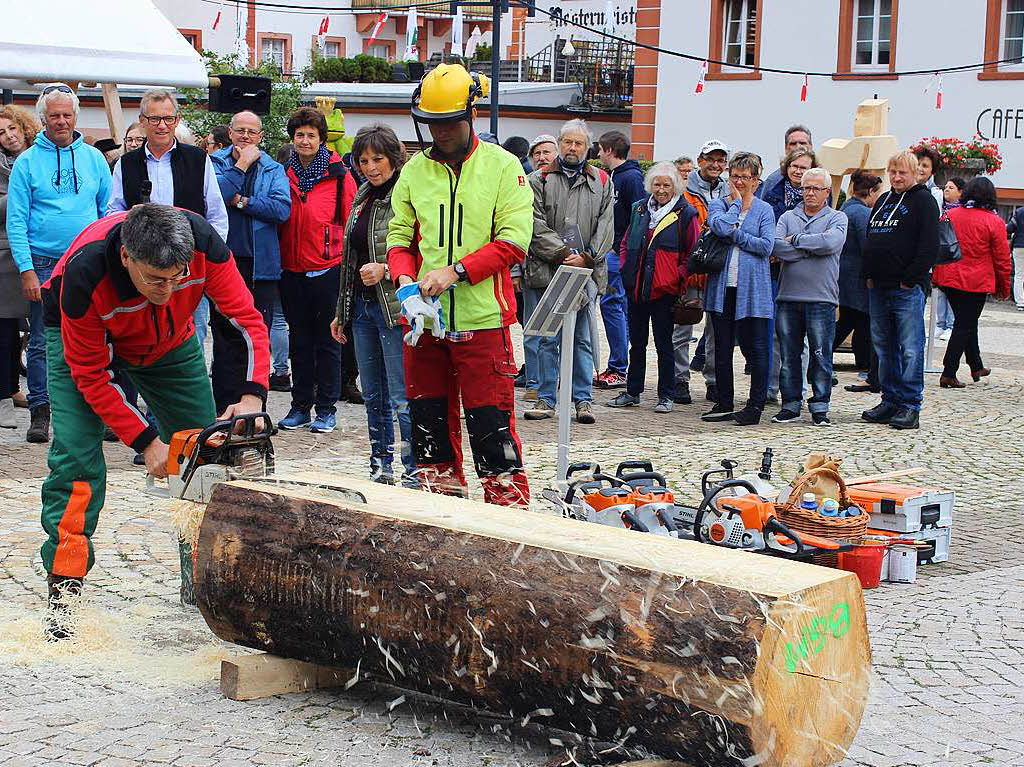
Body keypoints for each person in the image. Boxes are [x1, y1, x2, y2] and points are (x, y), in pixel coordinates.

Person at [39, 204, 269, 637]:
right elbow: (91, 375)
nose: (168, 288)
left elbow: (246, 320)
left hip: (169, 342)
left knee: (205, 455)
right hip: (81, 340)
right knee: (76, 459)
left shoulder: (204, 246)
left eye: (178, 277)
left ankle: (203, 584)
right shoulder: (84, 276)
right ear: (127, 257)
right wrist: (145, 442)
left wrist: (252, 393)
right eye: (155, 279)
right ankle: (64, 593)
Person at [387, 63, 532, 507]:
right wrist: (406, 281)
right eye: (432, 124)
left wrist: (456, 271)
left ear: (471, 114)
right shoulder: (414, 171)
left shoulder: (504, 168)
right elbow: (400, 236)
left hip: (484, 320)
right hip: (425, 325)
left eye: (449, 123)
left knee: (492, 429)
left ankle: (509, 520)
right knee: (428, 427)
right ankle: (440, 510)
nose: (441, 133)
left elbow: (513, 243)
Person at [5, 84, 112, 444]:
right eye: (55, 115)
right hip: (44, 262)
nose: (62, 121)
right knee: (42, 341)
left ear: (76, 116)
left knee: (95, 337)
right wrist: (26, 268)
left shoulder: (95, 159)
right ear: (43, 118)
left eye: (67, 114)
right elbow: (16, 220)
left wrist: (106, 258)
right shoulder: (27, 162)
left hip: (87, 262)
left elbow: (106, 213)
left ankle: (102, 408)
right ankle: (40, 411)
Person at [108, 89, 229, 354]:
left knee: (191, 335)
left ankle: (187, 389)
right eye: (154, 119)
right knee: (140, 337)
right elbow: (113, 216)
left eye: (167, 118)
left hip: (188, 268)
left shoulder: (198, 159)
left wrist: (206, 261)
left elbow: (217, 215)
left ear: (177, 120)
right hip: (143, 271)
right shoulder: (126, 164)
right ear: (142, 121)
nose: (161, 125)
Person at [331, 124, 416, 486]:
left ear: (394, 159)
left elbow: (421, 249)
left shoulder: (407, 193)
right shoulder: (362, 194)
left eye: (378, 159)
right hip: (364, 307)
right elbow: (349, 258)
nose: (370, 167)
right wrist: (341, 311)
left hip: (394, 307)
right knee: (374, 394)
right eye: (363, 160)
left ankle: (415, 469)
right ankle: (380, 465)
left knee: (402, 395)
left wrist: (386, 269)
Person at [524, 119, 614, 425]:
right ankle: (546, 398)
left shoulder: (602, 180)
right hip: (551, 269)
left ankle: (583, 399)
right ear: (559, 144)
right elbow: (533, 223)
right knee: (548, 336)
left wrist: (588, 257)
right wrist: (563, 253)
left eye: (578, 143)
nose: (572, 148)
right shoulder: (539, 179)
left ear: (588, 147)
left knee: (581, 338)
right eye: (567, 142)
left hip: (585, 272)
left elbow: (606, 225)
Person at [276, 107, 357, 434]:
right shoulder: (283, 171)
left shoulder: (339, 176)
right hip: (291, 269)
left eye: (311, 135)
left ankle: (326, 407)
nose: (305, 140)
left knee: (327, 341)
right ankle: (300, 406)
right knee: (299, 341)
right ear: (293, 139)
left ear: (321, 138)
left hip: (328, 268)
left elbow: (350, 223)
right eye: (300, 135)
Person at [211, 111, 291, 410]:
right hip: (223, 263)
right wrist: (242, 165)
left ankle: (254, 409)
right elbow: (216, 195)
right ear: (230, 133)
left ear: (260, 136)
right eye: (240, 130)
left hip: (261, 266)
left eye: (251, 132)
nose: (245, 136)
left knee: (256, 338)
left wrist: (242, 202)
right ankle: (222, 409)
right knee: (224, 338)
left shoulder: (273, 169)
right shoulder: (214, 163)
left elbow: (281, 210)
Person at [608, 162, 699, 413]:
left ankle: (666, 395)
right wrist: (626, 270)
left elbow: (692, 252)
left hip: (665, 291)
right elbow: (625, 243)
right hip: (637, 288)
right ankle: (633, 391)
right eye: (657, 184)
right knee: (636, 343)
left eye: (666, 185)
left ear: (675, 186)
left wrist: (676, 277)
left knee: (664, 344)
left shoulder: (686, 214)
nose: (661, 189)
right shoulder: (639, 209)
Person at [861, 150, 939, 431]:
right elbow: (871, 237)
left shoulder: (924, 202)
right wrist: (868, 274)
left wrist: (911, 278)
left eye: (902, 172)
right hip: (878, 286)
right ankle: (890, 399)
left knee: (910, 348)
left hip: (905, 288)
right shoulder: (883, 200)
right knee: (884, 346)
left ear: (915, 172)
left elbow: (929, 245)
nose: (896, 177)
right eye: (892, 172)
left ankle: (910, 404)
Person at [701, 152, 775, 426]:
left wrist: (735, 235)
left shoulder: (764, 210)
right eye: (735, 177)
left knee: (756, 348)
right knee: (721, 348)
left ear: (756, 180)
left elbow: (766, 246)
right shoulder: (720, 203)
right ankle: (724, 401)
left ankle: (755, 405)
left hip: (752, 291)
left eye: (745, 177)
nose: (740, 182)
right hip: (722, 288)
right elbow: (719, 225)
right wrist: (734, 207)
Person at [770, 167, 848, 426]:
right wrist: (809, 248)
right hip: (788, 296)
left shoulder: (838, 218)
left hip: (822, 298)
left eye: (816, 188)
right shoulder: (787, 217)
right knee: (789, 355)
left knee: (821, 355)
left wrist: (798, 241)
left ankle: (820, 407)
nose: (810, 193)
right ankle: (790, 405)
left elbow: (831, 244)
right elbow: (777, 246)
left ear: (827, 192)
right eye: (806, 188)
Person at [933, 177, 1010, 388]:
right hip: (975, 281)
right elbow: (1002, 259)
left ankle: (976, 365)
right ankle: (949, 371)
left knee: (965, 321)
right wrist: (1004, 288)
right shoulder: (994, 221)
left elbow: (938, 245)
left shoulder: (949, 215)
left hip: (948, 277)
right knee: (965, 323)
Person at [676, 139, 731, 406]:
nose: (715, 164)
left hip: (718, 271)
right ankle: (680, 379)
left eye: (721, 160)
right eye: (711, 159)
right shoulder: (684, 191)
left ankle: (713, 380)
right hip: (691, 269)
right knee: (683, 327)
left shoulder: (729, 193)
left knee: (715, 331)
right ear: (700, 161)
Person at [761, 147, 817, 402]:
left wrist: (791, 245)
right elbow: (768, 234)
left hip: (803, 274)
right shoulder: (771, 191)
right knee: (774, 332)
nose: (798, 171)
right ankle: (771, 387)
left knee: (799, 337)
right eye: (795, 166)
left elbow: (819, 240)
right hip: (772, 271)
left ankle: (797, 391)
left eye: (804, 168)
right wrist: (784, 245)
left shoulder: (816, 201)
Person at [595, 129, 644, 390]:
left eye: (601, 149)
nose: (598, 154)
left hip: (617, 254)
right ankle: (618, 364)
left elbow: (638, 217)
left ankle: (618, 366)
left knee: (613, 305)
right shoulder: (612, 177)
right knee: (612, 306)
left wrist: (623, 250)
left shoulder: (631, 178)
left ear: (610, 150)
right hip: (609, 252)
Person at [0, 105, 39, 427]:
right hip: (5, 254)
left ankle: (23, 390)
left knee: (39, 330)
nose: (10, 136)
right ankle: (6, 391)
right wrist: (18, 193)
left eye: (13, 128)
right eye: (2, 132)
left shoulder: (39, 156)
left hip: (38, 247)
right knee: (6, 327)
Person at [837, 171, 884, 387]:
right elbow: (869, 246)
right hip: (858, 276)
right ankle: (865, 363)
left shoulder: (846, 208)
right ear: (871, 192)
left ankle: (863, 361)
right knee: (860, 319)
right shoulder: (863, 214)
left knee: (850, 318)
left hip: (844, 274)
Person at [757, 125, 813, 198]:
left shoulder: (822, 181)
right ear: (786, 148)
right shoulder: (773, 182)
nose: (798, 147)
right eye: (793, 143)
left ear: (811, 146)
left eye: (802, 143)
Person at [1007, 200, 1024, 311]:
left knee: (1019, 274)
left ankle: (1020, 302)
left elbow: (1009, 228)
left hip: (1019, 246)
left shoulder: (1019, 212)